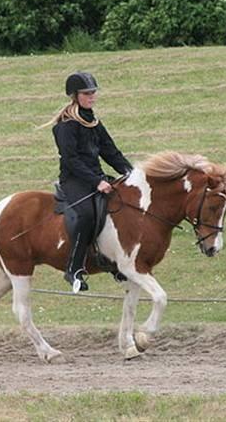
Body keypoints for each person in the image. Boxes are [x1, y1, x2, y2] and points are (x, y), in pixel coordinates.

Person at [46, 71, 132, 292]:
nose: (92, 96)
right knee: (86, 215)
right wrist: (96, 182)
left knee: (122, 204)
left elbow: (109, 150)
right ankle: (74, 268)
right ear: (75, 95)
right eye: (87, 93)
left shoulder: (93, 121)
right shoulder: (66, 125)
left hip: (96, 177)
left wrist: (130, 172)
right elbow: (71, 160)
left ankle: (113, 261)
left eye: (93, 92)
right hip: (74, 180)